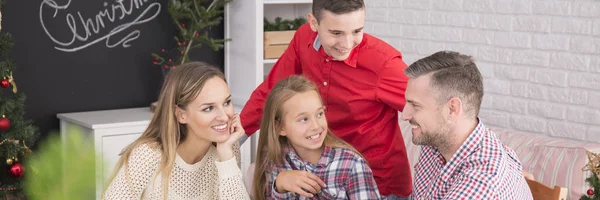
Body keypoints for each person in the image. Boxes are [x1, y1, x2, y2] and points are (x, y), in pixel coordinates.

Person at [240, 0, 412, 198]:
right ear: (314, 23)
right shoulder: (303, 39)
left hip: (379, 184)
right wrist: (234, 139)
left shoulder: (384, 64)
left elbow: (426, 108)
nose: (347, 44)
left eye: (357, 31)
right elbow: (272, 92)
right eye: (336, 33)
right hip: (323, 175)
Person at [102, 62, 250, 200]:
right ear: (181, 115)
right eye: (208, 108)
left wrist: (226, 156)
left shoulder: (227, 151)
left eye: (226, 102)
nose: (224, 116)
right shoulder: (148, 155)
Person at [401, 51, 533, 199]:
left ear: (452, 109)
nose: (405, 115)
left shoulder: (483, 182)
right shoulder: (435, 139)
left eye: (415, 106)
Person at [252, 75, 383, 200]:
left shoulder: (352, 164)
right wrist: (279, 185)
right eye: (303, 119)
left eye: (319, 114)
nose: (316, 126)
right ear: (280, 128)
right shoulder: (274, 160)